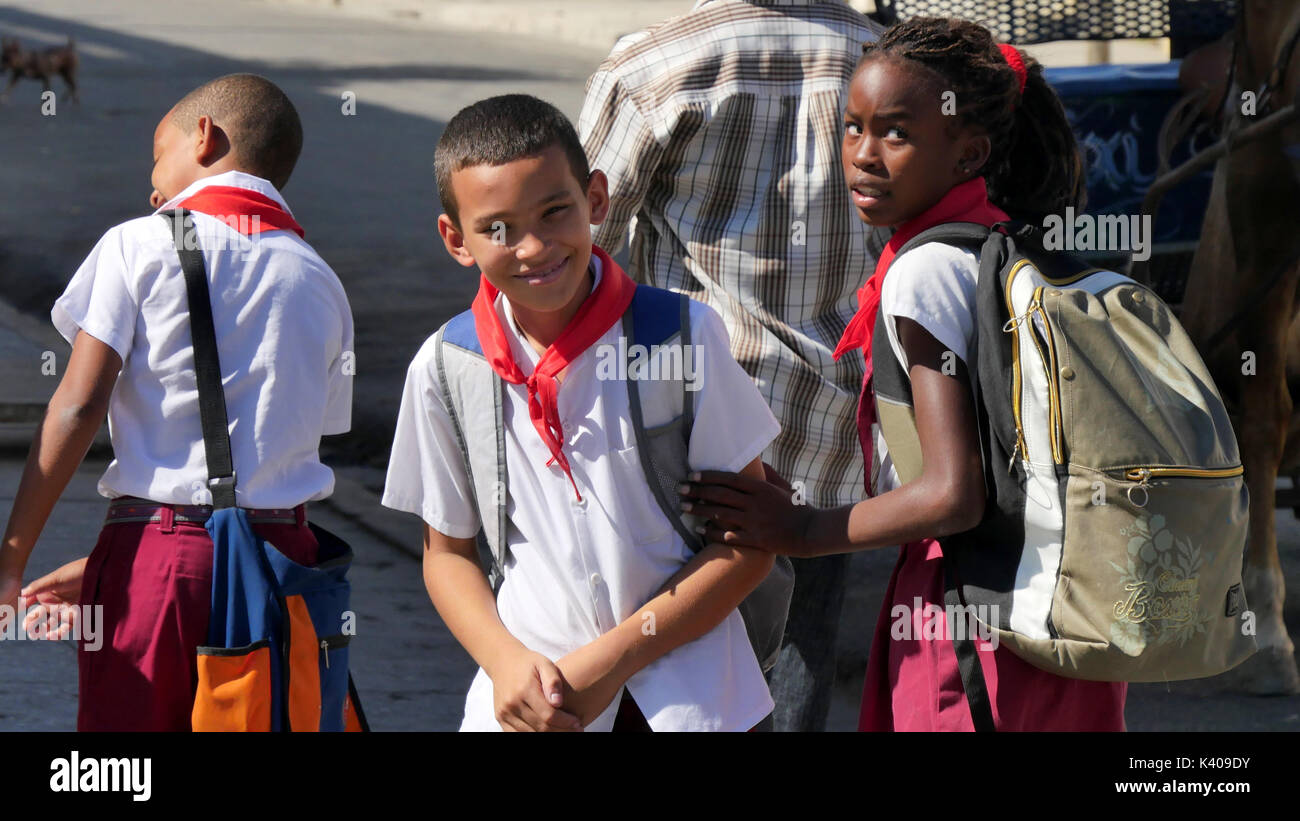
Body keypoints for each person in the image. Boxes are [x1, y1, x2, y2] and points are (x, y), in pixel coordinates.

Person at [679, 16, 1127, 730]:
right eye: (853, 127)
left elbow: (952, 493)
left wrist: (801, 527)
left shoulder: (922, 273)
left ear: (967, 152)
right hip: (1055, 595)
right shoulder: (1003, 247)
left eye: (896, 133)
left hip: (969, 611)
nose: (863, 155)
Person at [381, 94, 781, 732]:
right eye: (498, 228)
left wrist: (612, 661)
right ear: (456, 239)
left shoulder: (682, 335)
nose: (534, 247)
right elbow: (447, 553)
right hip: (527, 706)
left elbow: (751, 541)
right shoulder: (446, 366)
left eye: (555, 211)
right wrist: (506, 664)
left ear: (596, 198)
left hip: (694, 699)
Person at [0, 74, 354, 731]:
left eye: (157, 155)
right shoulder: (320, 278)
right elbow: (291, 447)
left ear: (205, 137)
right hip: (284, 559)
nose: (152, 184)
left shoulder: (138, 244)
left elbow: (77, 406)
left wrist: (13, 559)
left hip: (160, 558)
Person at [578, 0, 886, 732]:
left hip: (690, 441)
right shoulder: (883, 62)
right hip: (830, 432)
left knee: (673, 674)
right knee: (796, 669)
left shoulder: (653, 67)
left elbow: (575, 246)